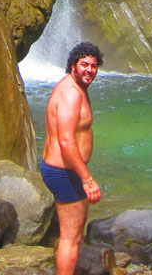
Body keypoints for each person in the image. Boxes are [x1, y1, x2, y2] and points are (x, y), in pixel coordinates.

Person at [40, 42, 103, 275]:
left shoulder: (75, 88)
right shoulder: (70, 94)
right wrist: (87, 179)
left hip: (63, 170)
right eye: (84, 64)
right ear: (73, 65)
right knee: (71, 237)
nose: (89, 70)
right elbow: (66, 141)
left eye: (94, 66)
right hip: (64, 172)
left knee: (73, 233)